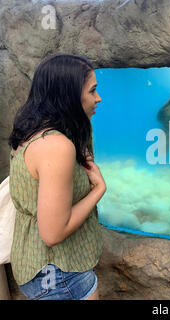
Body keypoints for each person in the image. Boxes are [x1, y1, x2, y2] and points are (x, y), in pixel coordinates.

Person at [7, 53, 105, 300]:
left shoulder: (33, 128)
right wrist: (98, 190)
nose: (98, 98)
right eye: (92, 91)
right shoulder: (56, 146)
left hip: (40, 267)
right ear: (69, 96)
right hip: (60, 276)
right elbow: (52, 234)